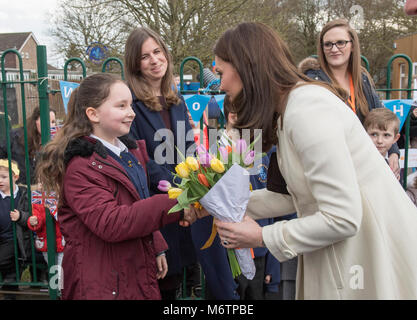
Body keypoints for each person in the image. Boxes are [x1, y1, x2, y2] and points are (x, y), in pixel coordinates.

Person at [206, 22, 417, 299]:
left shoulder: (306, 110)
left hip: (367, 252)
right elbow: (299, 196)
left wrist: (261, 237)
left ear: (246, 67)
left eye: (221, 72)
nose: (220, 84)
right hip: (345, 252)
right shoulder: (290, 108)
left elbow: (342, 217)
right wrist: (218, 205)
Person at [35, 73, 196, 300]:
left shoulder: (127, 152)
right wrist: (178, 202)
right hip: (100, 281)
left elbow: (137, 201)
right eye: (121, 106)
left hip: (130, 268)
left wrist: (157, 244)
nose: (131, 113)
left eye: (130, 105)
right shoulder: (81, 166)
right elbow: (112, 222)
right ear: (93, 114)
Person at [124, 27, 198, 299]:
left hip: (185, 199)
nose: (154, 60)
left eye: (157, 52)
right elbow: (139, 159)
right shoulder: (130, 104)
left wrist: (196, 183)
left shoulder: (175, 101)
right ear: (135, 64)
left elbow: (189, 147)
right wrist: (180, 187)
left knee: (182, 280)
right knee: (163, 284)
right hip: (157, 203)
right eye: (145, 56)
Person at [299, 19, 401, 179]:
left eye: (340, 42)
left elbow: (383, 118)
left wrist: (393, 152)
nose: (334, 49)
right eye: (328, 44)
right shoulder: (312, 81)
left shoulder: (362, 78)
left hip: (364, 166)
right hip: (331, 170)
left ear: (352, 45)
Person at [0, 106, 56, 185]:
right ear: (35, 121)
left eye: (53, 122)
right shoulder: (15, 137)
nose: (50, 125)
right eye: (46, 120)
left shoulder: (55, 143)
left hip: (40, 192)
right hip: (17, 190)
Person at [0, 159, 30, 299]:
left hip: (15, 239)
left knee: (3, 258)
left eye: (4, 177)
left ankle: (11, 279)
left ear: (15, 177)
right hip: (1, 238)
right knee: (8, 267)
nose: (0, 180)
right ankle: (10, 282)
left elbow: (32, 215)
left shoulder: (23, 194)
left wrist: (20, 216)